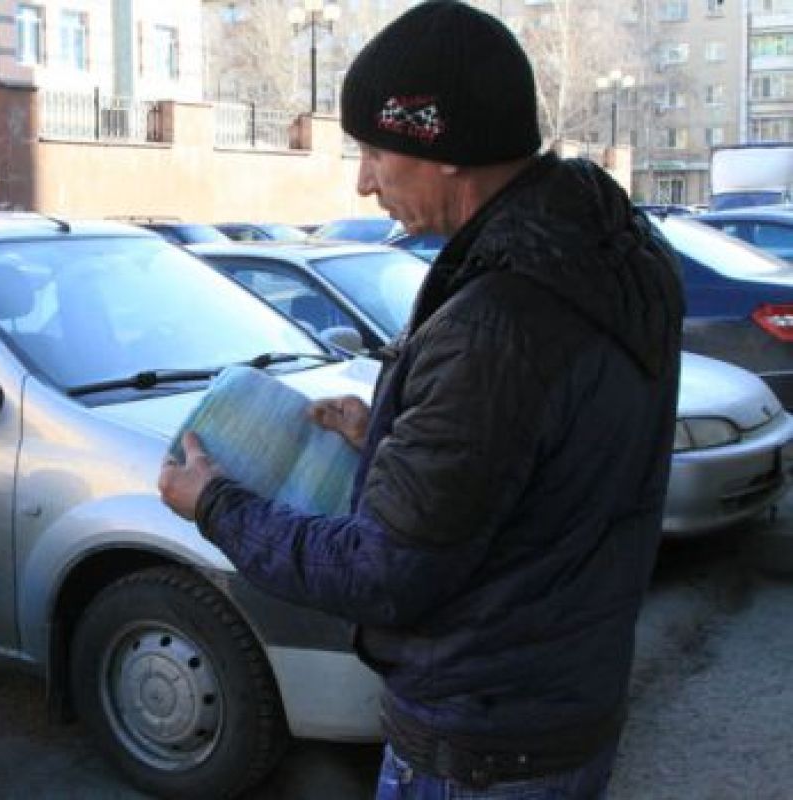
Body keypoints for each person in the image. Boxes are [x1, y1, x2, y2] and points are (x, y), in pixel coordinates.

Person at [158, 2, 684, 798]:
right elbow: (543, 461)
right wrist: (389, 436)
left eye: (374, 152)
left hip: (477, 741)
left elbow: (383, 575)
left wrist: (215, 504)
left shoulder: (499, 321)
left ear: (444, 150)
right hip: (559, 704)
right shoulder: (611, 257)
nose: (364, 182)